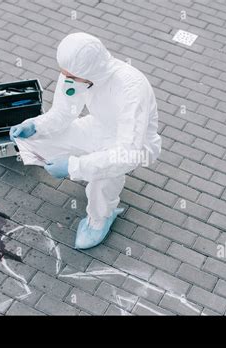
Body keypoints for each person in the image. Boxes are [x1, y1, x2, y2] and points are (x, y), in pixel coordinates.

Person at [10, 32, 161, 250]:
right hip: (99, 126)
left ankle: (101, 219)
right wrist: (36, 125)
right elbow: (63, 113)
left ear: (90, 72)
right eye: (64, 74)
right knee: (35, 140)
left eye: (71, 76)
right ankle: (91, 168)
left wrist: (74, 166)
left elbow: (127, 154)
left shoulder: (131, 88)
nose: (66, 79)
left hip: (132, 145)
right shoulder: (77, 72)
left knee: (103, 179)